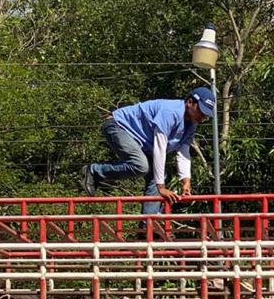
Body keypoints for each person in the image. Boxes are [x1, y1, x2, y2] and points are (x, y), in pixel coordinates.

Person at [81, 87, 215, 214]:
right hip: (118, 126)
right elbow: (160, 147)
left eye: (205, 114)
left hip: (142, 142)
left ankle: (149, 224)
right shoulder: (170, 112)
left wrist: (186, 182)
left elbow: (184, 152)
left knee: (157, 177)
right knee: (141, 166)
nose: (202, 116)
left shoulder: (191, 124)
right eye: (201, 110)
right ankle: (93, 171)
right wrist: (161, 187)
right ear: (190, 102)